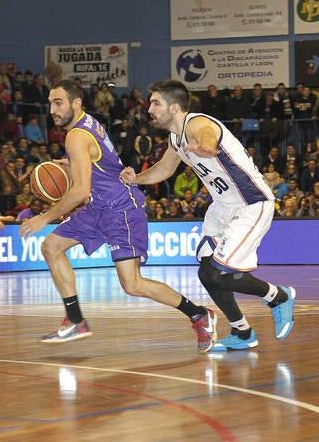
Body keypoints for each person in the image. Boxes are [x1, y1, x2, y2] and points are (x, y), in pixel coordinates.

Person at [19, 80, 216, 351]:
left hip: (120, 209)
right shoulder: (86, 123)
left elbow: (79, 191)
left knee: (132, 284)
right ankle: (75, 319)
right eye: (50, 103)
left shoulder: (76, 136)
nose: (52, 109)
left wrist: (43, 217)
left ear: (76, 103)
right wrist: (77, 163)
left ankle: (199, 315)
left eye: (58, 103)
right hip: (99, 206)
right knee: (51, 246)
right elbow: (100, 161)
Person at [120, 80, 296, 352]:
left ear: (174, 107)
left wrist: (205, 146)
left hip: (251, 204)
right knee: (206, 272)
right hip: (221, 207)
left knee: (222, 273)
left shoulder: (196, 123)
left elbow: (207, 135)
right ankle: (242, 332)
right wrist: (137, 179)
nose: (149, 108)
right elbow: (165, 169)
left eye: (155, 103)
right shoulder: (175, 138)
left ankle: (278, 296)